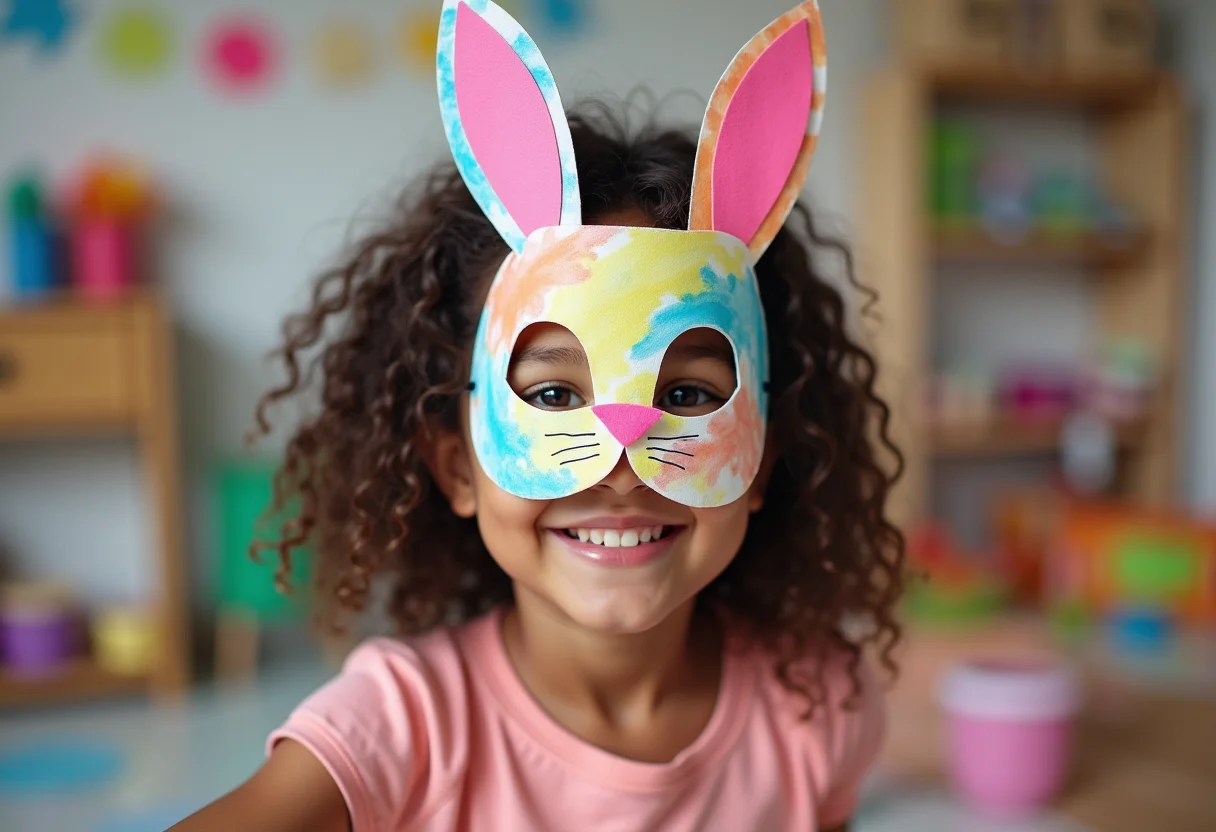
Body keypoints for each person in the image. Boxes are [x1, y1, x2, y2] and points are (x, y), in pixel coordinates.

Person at [174, 2, 904, 830]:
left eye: (690, 395)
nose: (623, 453)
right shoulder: (397, 727)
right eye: (554, 396)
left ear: (764, 458)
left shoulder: (819, 706)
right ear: (457, 465)